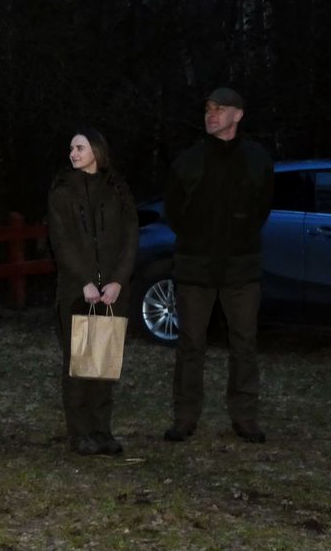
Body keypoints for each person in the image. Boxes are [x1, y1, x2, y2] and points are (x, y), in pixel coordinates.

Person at [164, 88, 274, 444]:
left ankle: (245, 418)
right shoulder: (188, 160)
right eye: (208, 108)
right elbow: (175, 209)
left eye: (220, 109)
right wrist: (198, 242)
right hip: (195, 268)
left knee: (244, 342)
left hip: (241, 269)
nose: (211, 114)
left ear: (238, 115)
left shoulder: (257, 159)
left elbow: (262, 208)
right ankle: (184, 418)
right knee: (191, 344)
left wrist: (238, 234)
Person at [47, 128, 138, 455]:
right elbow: (61, 241)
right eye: (71, 147)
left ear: (97, 151)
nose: (73, 153)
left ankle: (102, 430)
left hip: (114, 290)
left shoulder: (118, 190)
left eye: (80, 147)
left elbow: (130, 237)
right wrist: (84, 280)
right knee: (79, 363)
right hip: (77, 290)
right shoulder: (62, 191)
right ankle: (80, 432)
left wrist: (117, 280)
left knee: (104, 362)